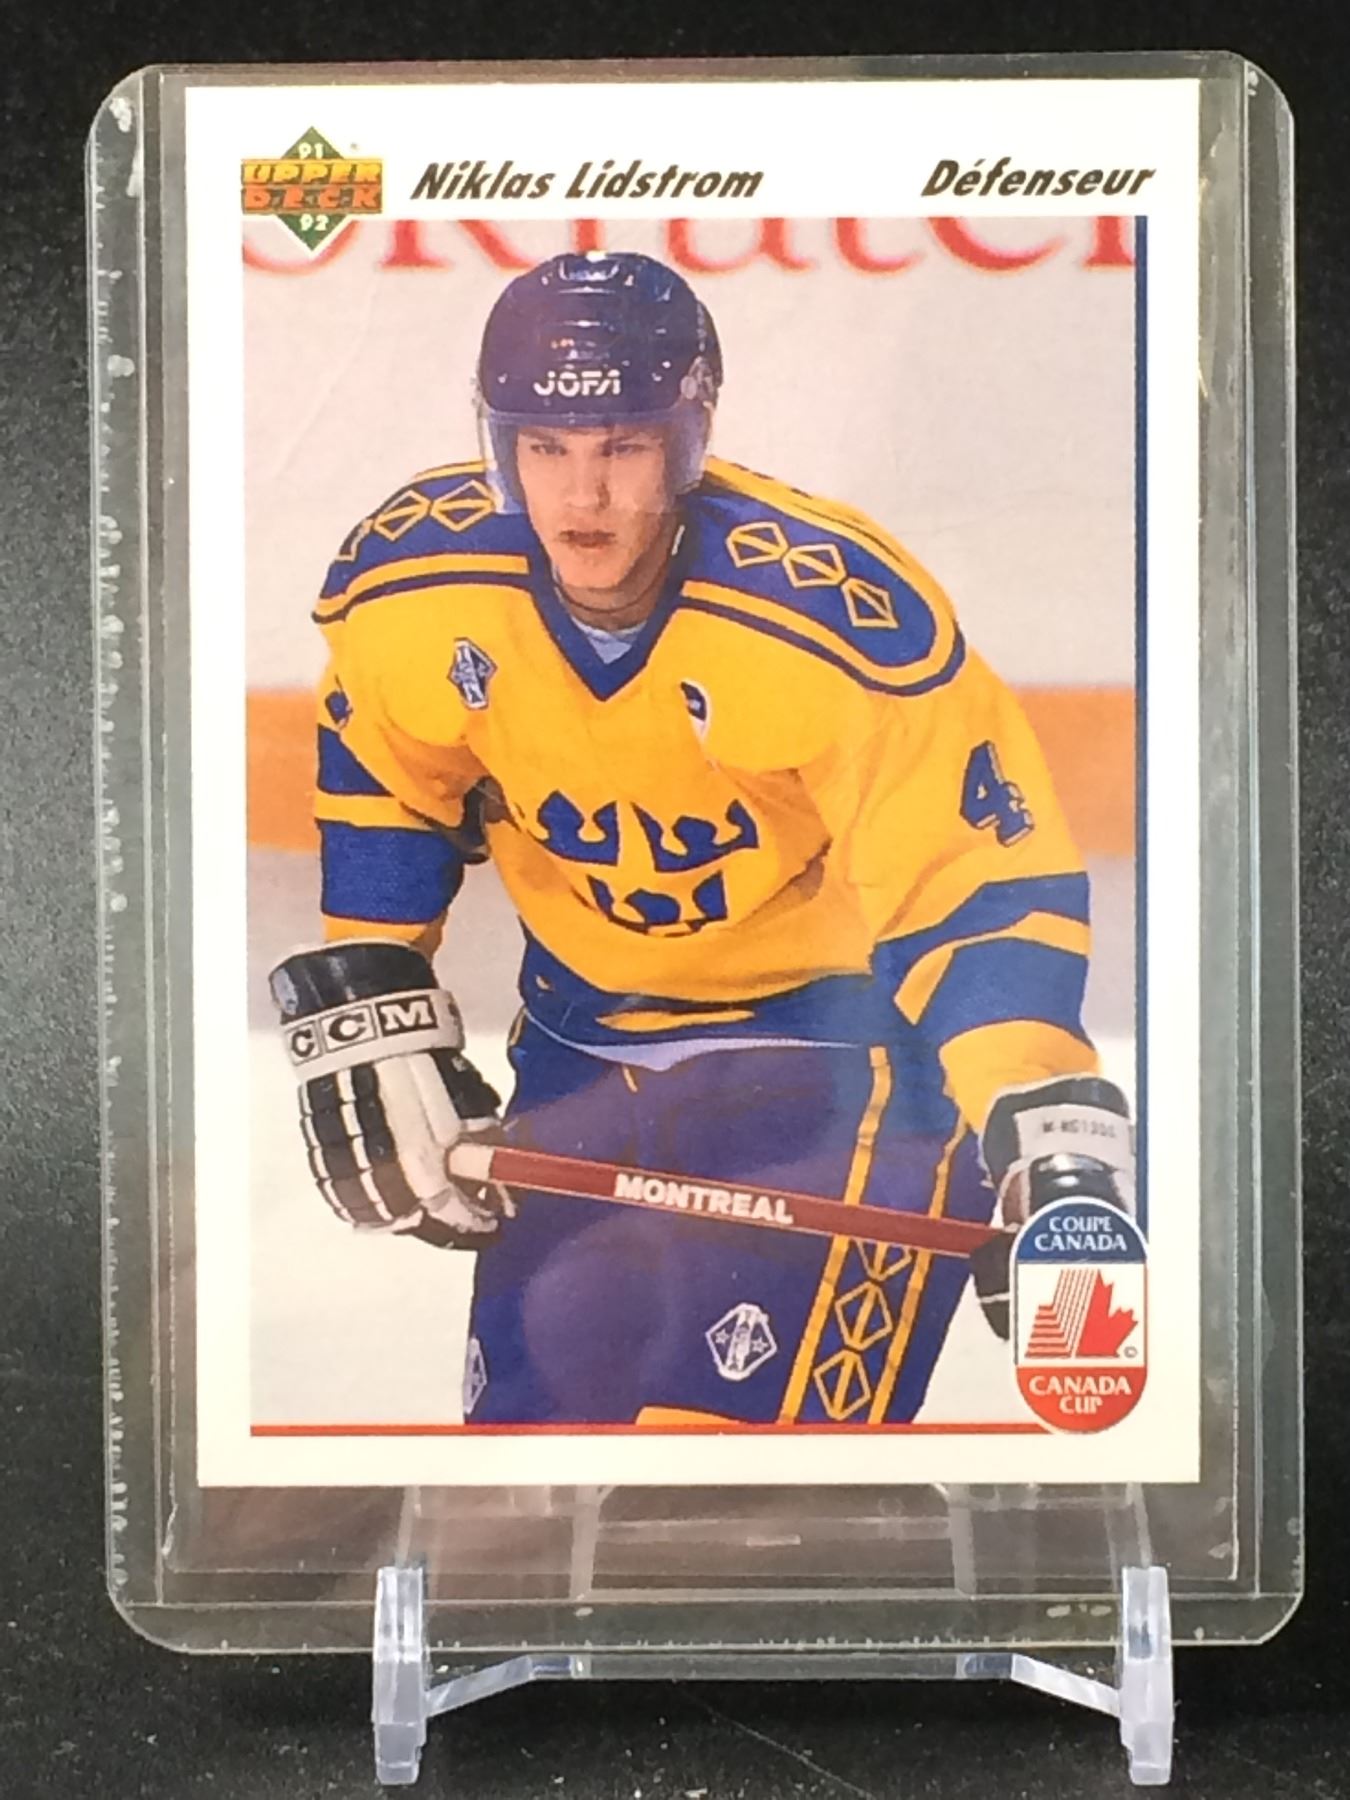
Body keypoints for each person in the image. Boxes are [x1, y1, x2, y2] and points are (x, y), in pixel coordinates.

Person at [269, 250, 1134, 1428]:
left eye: (623, 447)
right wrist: (372, 985)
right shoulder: (414, 583)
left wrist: (1037, 1118)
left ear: (689, 438)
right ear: (498, 444)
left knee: (739, 1487)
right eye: (545, 449)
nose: (581, 498)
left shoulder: (830, 618)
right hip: (584, 1046)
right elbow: (389, 770)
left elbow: (970, 881)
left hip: (847, 1070)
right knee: (525, 1473)